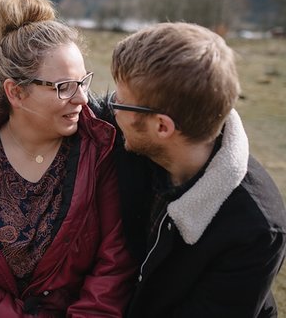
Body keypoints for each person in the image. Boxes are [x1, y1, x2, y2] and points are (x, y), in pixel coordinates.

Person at [0, 0, 134, 316]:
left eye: (84, 82)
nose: (82, 98)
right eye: (64, 87)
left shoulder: (99, 152)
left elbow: (113, 264)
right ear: (16, 92)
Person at [107, 22, 286, 317]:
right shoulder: (140, 127)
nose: (111, 109)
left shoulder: (256, 229)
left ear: (162, 127)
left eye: (120, 102)